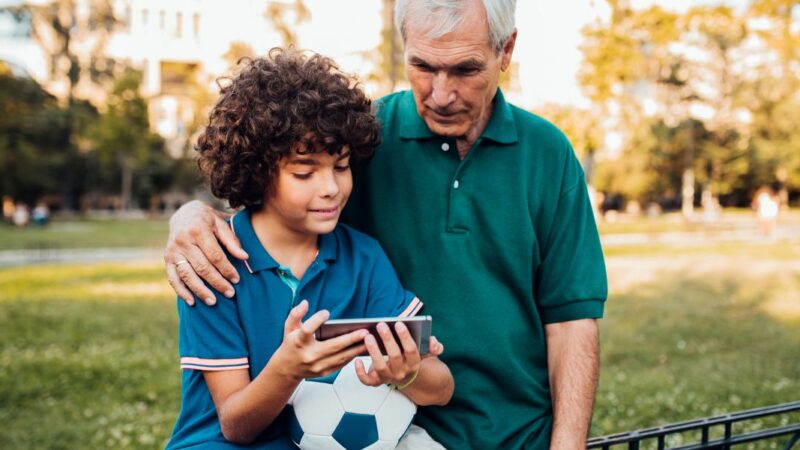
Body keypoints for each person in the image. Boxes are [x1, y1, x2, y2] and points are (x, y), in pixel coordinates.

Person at [165, 1, 608, 448]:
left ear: (506, 51)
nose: (440, 93)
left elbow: (573, 323)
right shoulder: (361, 138)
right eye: (422, 65)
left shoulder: (548, 156)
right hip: (394, 432)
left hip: (516, 435)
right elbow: (272, 199)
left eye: (465, 70)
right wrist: (190, 215)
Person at [166, 49, 453, 450]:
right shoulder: (213, 262)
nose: (331, 188)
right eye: (304, 172)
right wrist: (289, 368)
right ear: (258, 171)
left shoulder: (362, 258)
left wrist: (406, 372)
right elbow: (235, 425)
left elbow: (441, 387)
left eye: (341, 165)